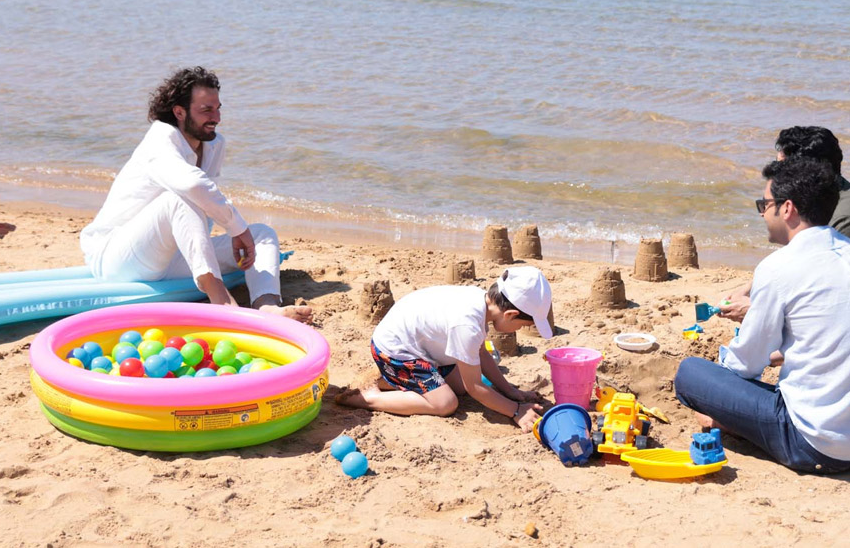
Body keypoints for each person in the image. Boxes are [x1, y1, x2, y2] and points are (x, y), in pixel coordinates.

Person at [675, 157, 850, 473]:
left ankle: (732, 423)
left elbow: (744, 365)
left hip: (818, 445)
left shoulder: (779, 266)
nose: (762, 213)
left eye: (764, 204)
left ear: (787, 209)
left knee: (690, 374)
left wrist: (723, 393)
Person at [80, 67, 312, 322]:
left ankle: (267, 305)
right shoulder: (160, 139)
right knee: (179, 197)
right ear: (179, 112)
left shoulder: (214, 144)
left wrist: (239, 233)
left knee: (262, 235)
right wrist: (236, 229)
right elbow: (193, 186)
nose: (217, 117)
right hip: (118, 259)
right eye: (206, 110)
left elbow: (203, 203)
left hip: (174, 258)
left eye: (218, 108)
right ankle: (222, 301)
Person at [720, 126, 850, 354]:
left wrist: (757, 311)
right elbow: (802, 257)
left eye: (782, 166)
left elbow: (835, 300)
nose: (776, 173)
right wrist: (748, 290)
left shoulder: (846, 218)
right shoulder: (825, 201)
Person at [335, 266, 552, 433]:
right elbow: (476, 387)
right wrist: (515, 410)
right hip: (396, 351)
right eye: (523, 325)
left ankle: (389, 380)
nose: (520, 329)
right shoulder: (467, 324)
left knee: (458, 387)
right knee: (446, 403)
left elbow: (480, 353)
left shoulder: (479, 301)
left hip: (419, 346)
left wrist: (510, 391)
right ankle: (367, 397)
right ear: (510, 315)